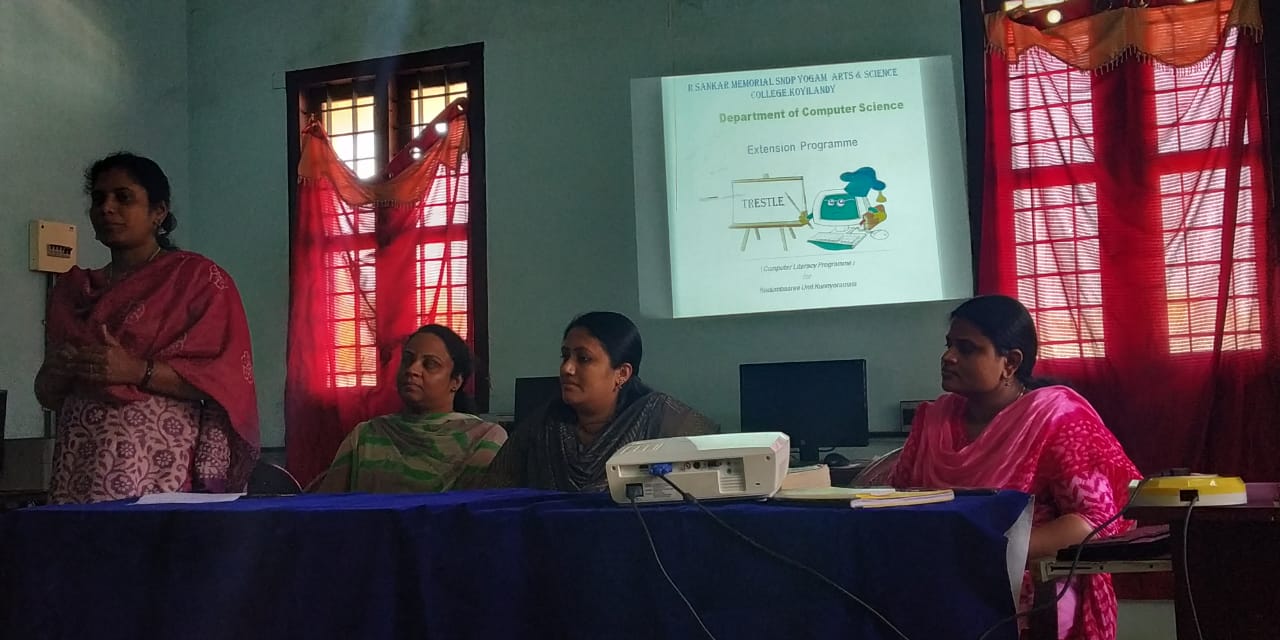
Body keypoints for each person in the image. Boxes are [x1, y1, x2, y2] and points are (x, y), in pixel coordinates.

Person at [889, 295, 1141, 640]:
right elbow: (896, 499)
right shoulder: (934, 421)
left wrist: (991, 552)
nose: (948, 357)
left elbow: (1097, 520)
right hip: (938, 579)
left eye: (967, 349)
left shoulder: (1056, 417)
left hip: (1028, 588)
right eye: (949, 345)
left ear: (1010, 362)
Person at [36, 152, 260, 504]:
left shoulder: (197, 281)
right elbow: (48, 396)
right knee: (79, 538)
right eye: (99, 199)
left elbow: (224, 381)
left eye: (123, 197)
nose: (107, 208)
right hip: (78, 458)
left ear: (159, 212)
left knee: (146, 538)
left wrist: (137, 370)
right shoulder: (74, 291)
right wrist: (55, 374)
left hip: (156, 460)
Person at [483, 311, 718, 491]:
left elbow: (716, 476)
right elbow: (493, 494)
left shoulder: (663, 418)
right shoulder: (544, 424)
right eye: (565, 356)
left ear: (622, 374)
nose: (566, 368)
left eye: (583, 358)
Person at [313, 324, 507, 493]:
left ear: (455, 381)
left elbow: (486, 509)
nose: (412, 370)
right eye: (407, 360)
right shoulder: (365, 436)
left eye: (430, 364)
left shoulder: (484, 437)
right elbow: (327, 507)